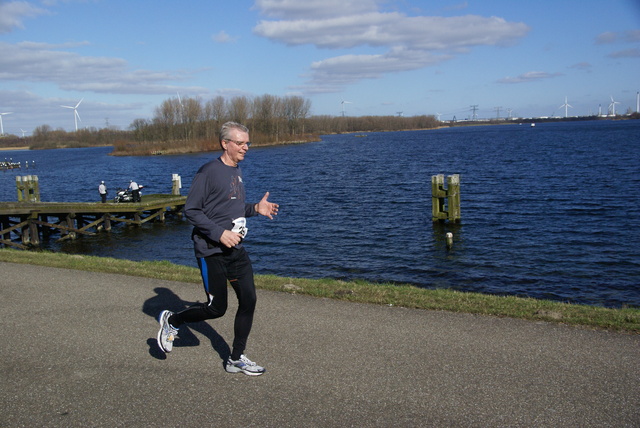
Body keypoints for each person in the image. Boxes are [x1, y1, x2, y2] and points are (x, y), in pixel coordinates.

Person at [157, 121, 279, 376]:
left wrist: (255, 208)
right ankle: (172, 321)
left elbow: (231, 210)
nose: (246, 147)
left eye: (248, 143)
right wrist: (220, 233)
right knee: (216, 309)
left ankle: (236, 358)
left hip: (235, 251)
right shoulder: (209, 171)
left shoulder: (237, 171)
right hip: (211, 251)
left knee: (249, 300)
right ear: (226, 144)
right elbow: (191, 210)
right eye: (241, 143)